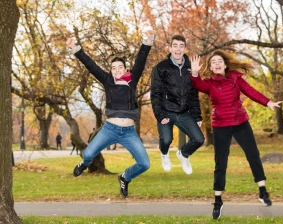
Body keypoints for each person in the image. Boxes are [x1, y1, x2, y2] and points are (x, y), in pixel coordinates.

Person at [190, 51, 283, 219]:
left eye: (220, 61)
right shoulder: (209, 83)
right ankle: (218, 200)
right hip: (221, 126)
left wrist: (268, 102)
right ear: (210, 68)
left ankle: (262, 191)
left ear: (225, 65)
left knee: (253, 155)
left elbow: (251, 91)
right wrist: (195, 73)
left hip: (240, 122)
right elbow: (197, 85)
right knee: (221, 163)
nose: (217, 63)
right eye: (213, 62)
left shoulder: (235, 77)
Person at [66, 29, 155, 197]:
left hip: (129, 132)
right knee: (88, 154)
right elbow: (90, 65)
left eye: (119, 67)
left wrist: (148, 40)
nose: (116, 70)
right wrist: (76, 48)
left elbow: (141, 59)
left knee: (144, 164)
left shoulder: (132, 80)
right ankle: (84, 164)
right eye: (113, 68)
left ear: (125, 69)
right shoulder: (107, 80)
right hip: (109, 129)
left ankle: (125, 177)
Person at [150, 35, 204, 175]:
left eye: (181, 46)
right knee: (166, 139)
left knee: (199, 139)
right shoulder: (160, 68)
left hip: (183, 113)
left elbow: (193, 94)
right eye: (175, 45)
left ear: (185, 48)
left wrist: (197, 116)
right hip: (166, 111)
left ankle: (183, 155)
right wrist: (160, 115)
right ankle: (164, 154)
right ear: (170, 48)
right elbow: (155, 94)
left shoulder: (190, 67)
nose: (178, 49)